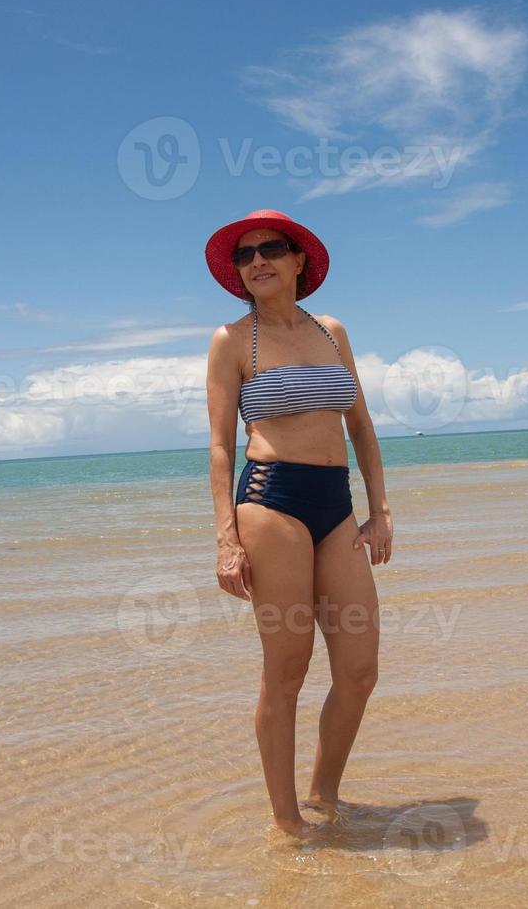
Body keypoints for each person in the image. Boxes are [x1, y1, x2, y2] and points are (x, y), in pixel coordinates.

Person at [203, 209, 394, 837]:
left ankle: (324, 798)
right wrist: (227, 538)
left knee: (360, 670)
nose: (257, 260)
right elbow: (221, 446)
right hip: (271, 501)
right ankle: (287, 827)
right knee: (287, 669)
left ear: (298, 260)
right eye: (245, 254)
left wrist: (381, 510)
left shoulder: (332, 330)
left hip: (335, 506)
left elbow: (360, 425)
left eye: (271, 248)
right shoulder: (232, 341)